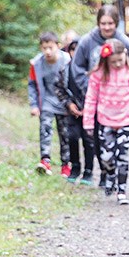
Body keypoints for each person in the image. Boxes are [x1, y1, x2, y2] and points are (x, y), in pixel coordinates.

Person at [71, 4, 129, 189]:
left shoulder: (124, 43)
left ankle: (115, 174)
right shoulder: (86, 42)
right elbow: (77, 69)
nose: (107, 27)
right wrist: (90, 89)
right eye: (103, 23)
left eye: (110, 23)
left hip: (120, 103)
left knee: (118, 143)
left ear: (116, 23)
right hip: (97, 101)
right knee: (99, 141)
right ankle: (105, 173)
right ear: (98, 23)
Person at [82, 38, 129, 205]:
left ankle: (122, 190)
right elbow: (91, 98)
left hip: (127, 119)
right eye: (114, 62)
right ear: (106, 60)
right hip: (105, 120)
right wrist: (88, 122)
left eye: (120, 60)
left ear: (125, 55)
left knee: (123, 155)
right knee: (106, 157)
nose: (118, 64)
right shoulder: (99, 73)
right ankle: (110, 174)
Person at [28, 31, 72, 177]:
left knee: (64, 134)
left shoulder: (67, 60)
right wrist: (34, 105)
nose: (47, 51)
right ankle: (45, 161)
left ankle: (66, 164)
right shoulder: (36, 64)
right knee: (45, 130)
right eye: (44, 48)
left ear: (57, 46)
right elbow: (32, 84)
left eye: (50, 47)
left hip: (64, 102)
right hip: (46, 101)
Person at [55, 39, 95, 185]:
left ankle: (89, 171)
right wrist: (69, 105)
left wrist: (88, 108)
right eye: (73, 50)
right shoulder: (64, 69)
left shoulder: (92, 70)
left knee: (89, 141)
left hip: (89, 112)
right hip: (71, 112)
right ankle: (75, 168)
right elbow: (59, 89)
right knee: (71, 138)